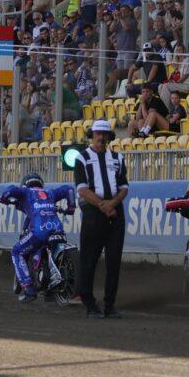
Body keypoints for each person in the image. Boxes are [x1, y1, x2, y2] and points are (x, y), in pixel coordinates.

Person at [73, 119, 128, 318]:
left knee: (114, 260)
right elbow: (82, 188)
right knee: (89, 259)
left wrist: (112, 204)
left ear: (109, 137)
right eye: (98, 134)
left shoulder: (118, 158)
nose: (101, 138)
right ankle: (89, 303)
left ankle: (110, 305)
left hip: (114, 211)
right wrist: (105, 206)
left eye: (104, 134)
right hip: (94, 212)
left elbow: (124, 187)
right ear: (92, 134)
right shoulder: (82, 158)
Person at [0, 173, 76, 303]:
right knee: (45, 249)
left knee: (17, 252)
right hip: (58, 229)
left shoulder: (26, 192)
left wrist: (3, 198)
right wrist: (71, 206)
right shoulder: (49, 193)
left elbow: (10, 189)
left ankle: (29, 289)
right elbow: (69, 188)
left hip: (40, 231)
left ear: (25, 184)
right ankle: (49, 291)